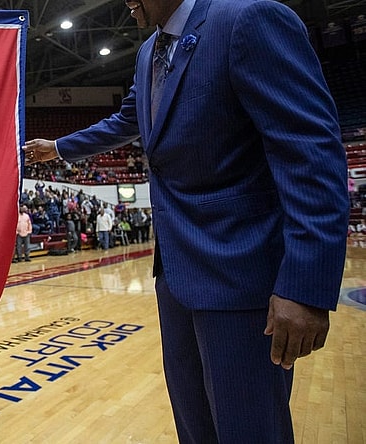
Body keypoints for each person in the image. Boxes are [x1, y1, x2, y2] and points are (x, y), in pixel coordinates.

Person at [23, 0, 348, 442]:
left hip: (241, 274)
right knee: (195, 428)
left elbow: (311, 154)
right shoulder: (147, 52)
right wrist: (59, 148)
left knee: (249, 431)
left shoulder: (248, 20)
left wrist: (305, 287)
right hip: (174, 276)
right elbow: (127, 120)